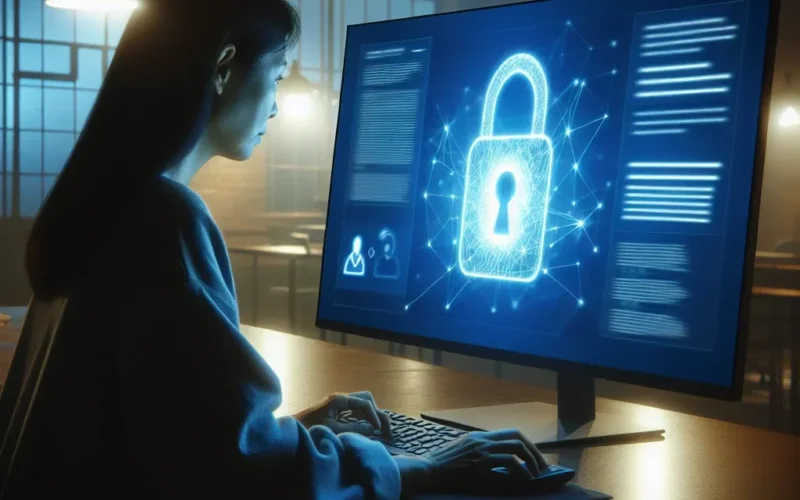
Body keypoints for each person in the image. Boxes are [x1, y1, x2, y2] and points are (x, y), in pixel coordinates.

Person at [18, 0, 548, 498]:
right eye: (274, 76)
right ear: (224, 68)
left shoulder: (97, 208)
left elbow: (186, 430)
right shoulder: (164, 219)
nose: (274, 104)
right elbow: (232, 474)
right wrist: (423, 467)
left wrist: (297, 428)